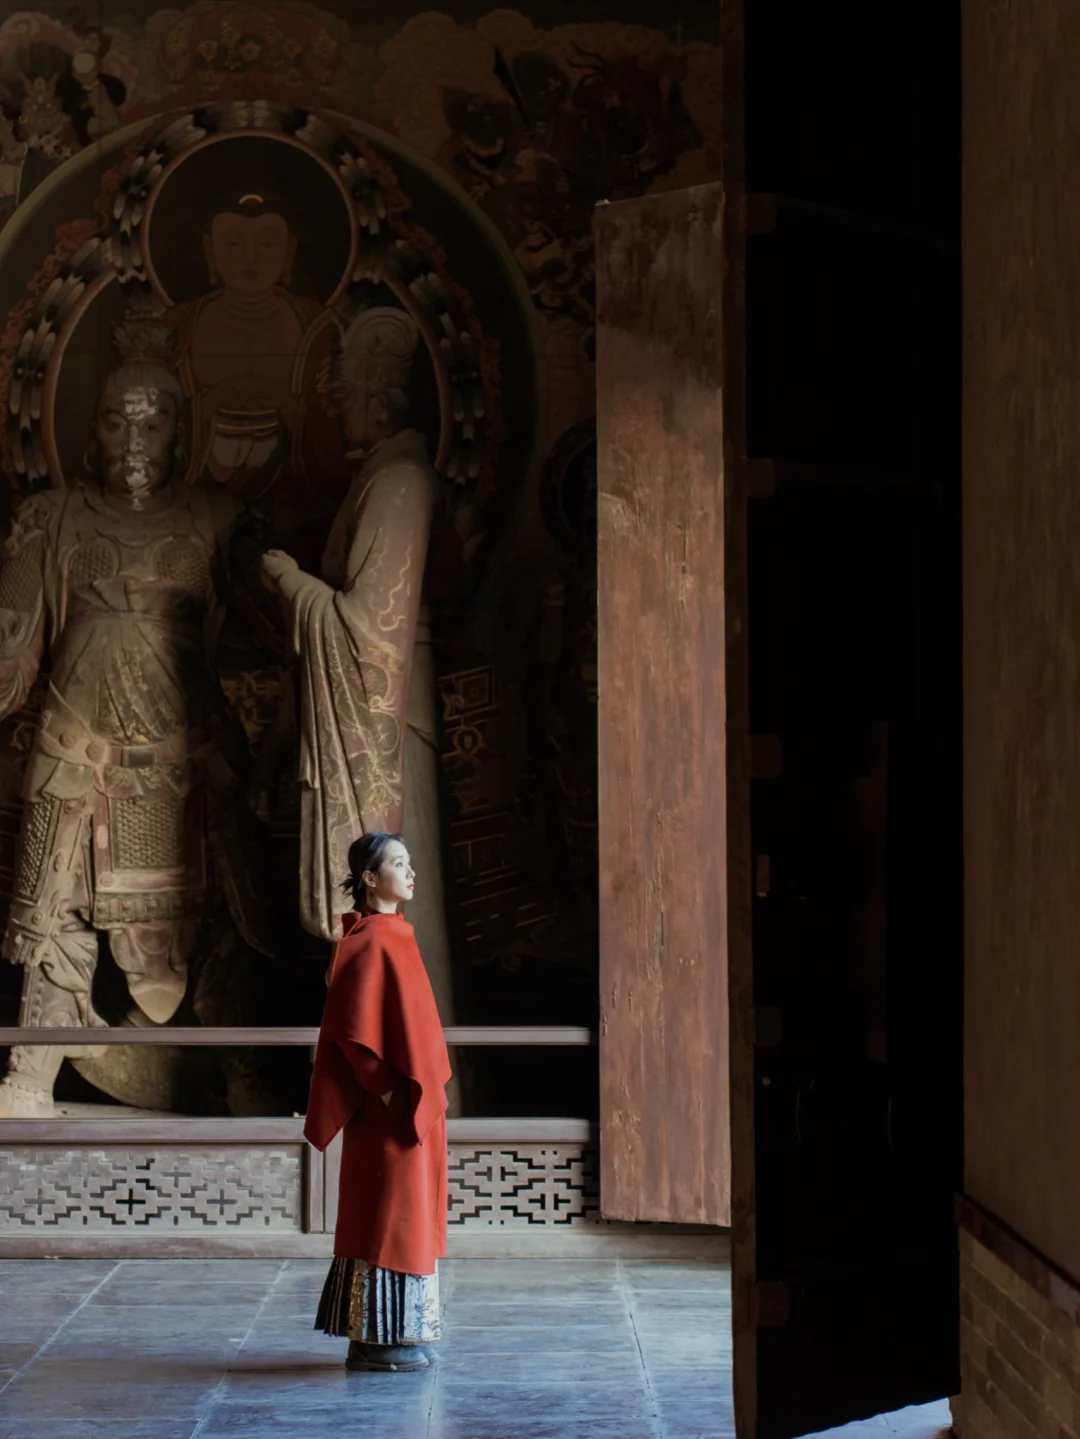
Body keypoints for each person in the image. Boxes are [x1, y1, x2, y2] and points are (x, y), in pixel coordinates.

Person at [305, 831, 452, 1372]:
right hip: (391, 1109)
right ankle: (376, 1341)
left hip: (409, 1102)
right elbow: (351, 1032)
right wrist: (388, 1090)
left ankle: (401, 1336)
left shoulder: (396, 934)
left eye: (411, 863)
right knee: (389, 1219)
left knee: (406, 1218)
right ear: (370, 877)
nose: (410, 873)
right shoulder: (370, 941)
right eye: (398, 864)